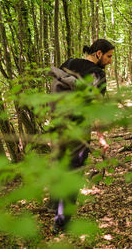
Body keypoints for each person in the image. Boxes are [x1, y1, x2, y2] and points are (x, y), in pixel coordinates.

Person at [52, 39, 115, 233]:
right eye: (109, 56)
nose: (110, 61)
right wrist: (101, 137)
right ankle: (61, 223)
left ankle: (54, 205)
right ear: (98, 53)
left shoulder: (68, 63)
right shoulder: (97, 74)